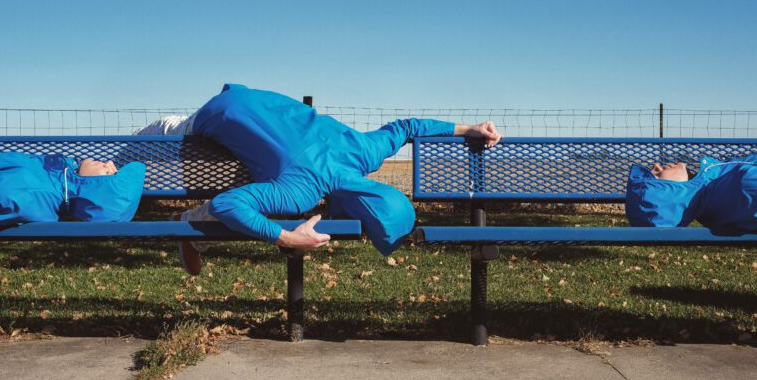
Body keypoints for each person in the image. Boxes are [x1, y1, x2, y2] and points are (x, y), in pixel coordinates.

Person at [136, 84, 502, 274]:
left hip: (250, 98)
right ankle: (187, 230)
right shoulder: (301, 192)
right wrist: (287, 237)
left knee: (256, 180)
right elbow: (226, 204)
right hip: (209, 118)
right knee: (143, 149)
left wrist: (467, 128)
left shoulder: (364, 150)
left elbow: (407, 127)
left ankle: (190, 234)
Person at [0, 152, 146, 224]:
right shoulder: (55, 176)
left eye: (110, 172)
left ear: (97, 189)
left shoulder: (29, 194)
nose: (109, 163)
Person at [626, 155, 757, 233]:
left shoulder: (719, 188)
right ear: (666, 195)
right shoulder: (747, 187)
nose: (656, 166)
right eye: (654, 175)